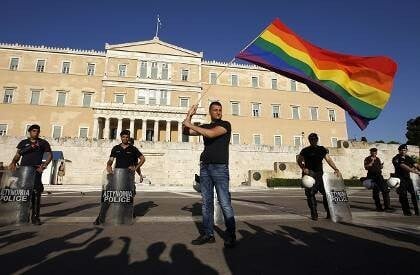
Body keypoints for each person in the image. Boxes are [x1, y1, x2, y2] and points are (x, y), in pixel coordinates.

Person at [182, 101, 236, 248]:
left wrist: (189, 123)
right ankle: (208, 234)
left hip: (220, 168)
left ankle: (231, 235)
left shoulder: (225, 125)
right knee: (206, 203)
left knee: (224, 202)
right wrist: (189, 115)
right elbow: (186, 132)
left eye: (220, 109)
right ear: (210, 112)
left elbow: (210, 134)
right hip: (205, 167)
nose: (218, 112)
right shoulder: (205, 125)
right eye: (215, 110)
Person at [94, 130, 145, 225]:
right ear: (120, 137)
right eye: (123, 137)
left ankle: (128, 214)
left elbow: (142, 159)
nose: (125, 138)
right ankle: (100, 217)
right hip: (116, 176)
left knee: (127, 197)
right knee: (108, 197)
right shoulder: (115, 148)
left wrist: (137, 170)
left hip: (128, 177)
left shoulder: (133, 149)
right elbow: (111, 160)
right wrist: (108, 165)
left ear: (129, 138)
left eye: (127, 137)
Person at [8, 124, 52, 225]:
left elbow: (50, 155)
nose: (36, 133)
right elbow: (18, 154)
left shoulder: (43, 143)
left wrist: (43, 166)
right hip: (24, 170)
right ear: (30, 132)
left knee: (36, 193)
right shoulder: (23, 143)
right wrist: (13, 162)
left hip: (36, 170)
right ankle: (23, 216)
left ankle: (35, 217)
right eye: (34, 131)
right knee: (24, 193)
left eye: (37, 131)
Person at [297, 133, 341, 220]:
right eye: (311, 139)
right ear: (309, 140)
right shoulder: (305, 150)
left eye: (314, 139)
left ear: (317, 140)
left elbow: (328, 159)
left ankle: (329, 212)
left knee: (326, 193)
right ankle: (314, 214)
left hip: (320, 174)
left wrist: (336, 169)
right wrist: (303, 168)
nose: (312, 140)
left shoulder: (322, 149)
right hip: (309, 174)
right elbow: (299, 160)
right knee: (310, 194)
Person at [392, 144, 420, 216]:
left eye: (405, 150)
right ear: (399, 150)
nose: (403, 151)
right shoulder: (396, 158)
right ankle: (407, 212)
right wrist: (414, 171)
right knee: (403, 195)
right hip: (400, 179)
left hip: (407, 178)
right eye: (402, 150)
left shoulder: (408, 157)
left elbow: (415, 164)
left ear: (406, 150)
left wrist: (418, 168)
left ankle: (417, 210)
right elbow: (403, 166)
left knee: (414, 194)